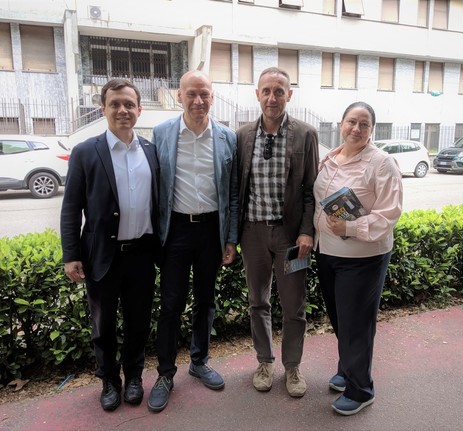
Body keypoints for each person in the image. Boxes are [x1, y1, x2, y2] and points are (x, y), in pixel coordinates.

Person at [60, 78, 160, 411]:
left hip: (142, 254)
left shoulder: (150, 151)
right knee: (102, 325)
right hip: (102, 255)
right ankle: (108, 380)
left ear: (139, 110)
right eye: (115, 104)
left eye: (129, 104)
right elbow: (71, 208)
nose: (122, 110)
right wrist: (71, 255)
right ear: (103, 109)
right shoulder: (86, 152)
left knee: (138, 321)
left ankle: (133, 377)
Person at [147, 70, 238, 413]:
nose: (198, 101)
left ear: (212, 96)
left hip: (211, 230)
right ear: (179, 96)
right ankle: (165, 373)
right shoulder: (162, 133)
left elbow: (233, 193)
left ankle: (199, 361)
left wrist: (230, 238)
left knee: (206, 300)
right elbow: (156, 188)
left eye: (205, 94)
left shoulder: (228, 137)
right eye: (191, 94)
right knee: (170, 305)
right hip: (177, 231)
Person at [313, 101, 403, 415]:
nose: (357, 129)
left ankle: (361, 388)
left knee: (356, 324)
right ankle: (347, 369)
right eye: (352, 122)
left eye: (364, 124)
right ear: (341, 124)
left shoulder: (381, 163)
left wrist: (351, 226)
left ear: (371, 130)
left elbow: (390, 214)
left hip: (363, 258)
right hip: (328, 253)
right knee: (340, 319)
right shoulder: (331, 157)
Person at [237, 67, 319, 398]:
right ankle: (264, 361)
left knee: (294, 305)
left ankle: (293, 366)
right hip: (253, 235)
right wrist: (233, 236)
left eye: (279, 91)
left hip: (291, 239)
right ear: (257, 94)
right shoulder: (242, 135)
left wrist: (306, 232)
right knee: (258, 301)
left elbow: (312, 189)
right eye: (266, 91)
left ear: (289, 95)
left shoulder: (305, 134)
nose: (273, 97)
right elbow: (235, 191)